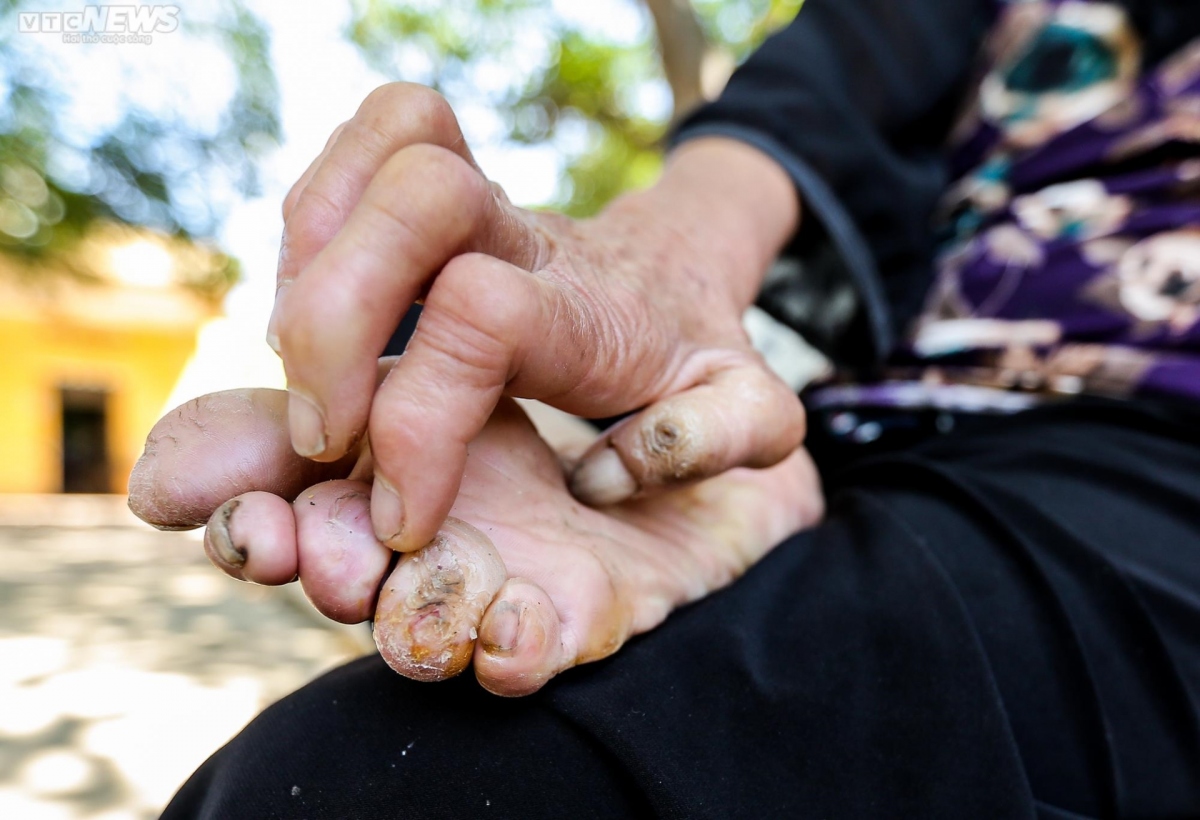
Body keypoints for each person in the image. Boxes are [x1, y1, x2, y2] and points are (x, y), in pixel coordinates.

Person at [129, 0, 1200, 816]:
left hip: (1146, 439)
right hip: (842, 429)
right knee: (344, 780)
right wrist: (661, 274)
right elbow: (815, 93)